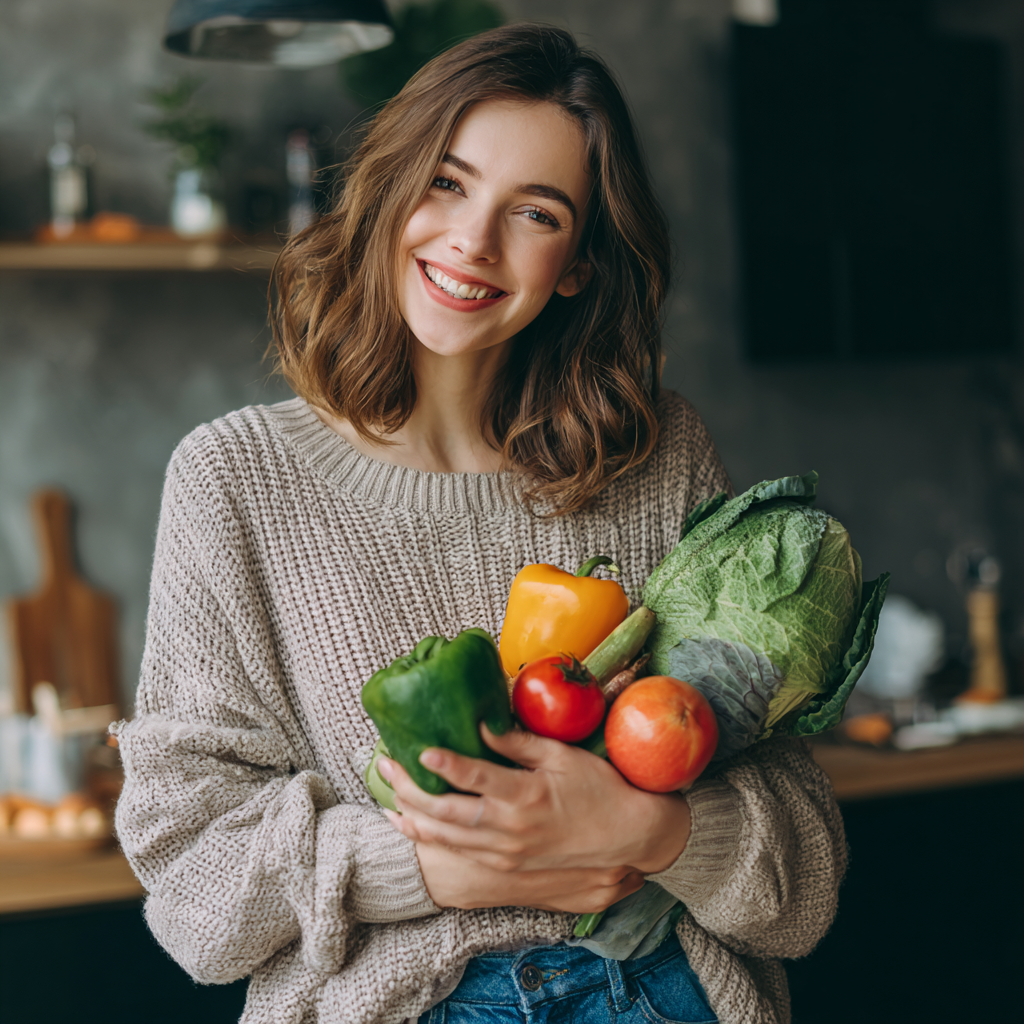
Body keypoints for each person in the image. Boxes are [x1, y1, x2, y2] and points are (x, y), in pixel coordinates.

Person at [114, 24, 846, 1024]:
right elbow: (193, 889)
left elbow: (801, 879)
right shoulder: (235, 480)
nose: (472, 241)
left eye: (535, 213)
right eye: (448, 184)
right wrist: (433, 864)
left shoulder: (658, 454)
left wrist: (650, 831)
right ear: (388, 194)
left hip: (666, 994)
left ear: (579, 262)